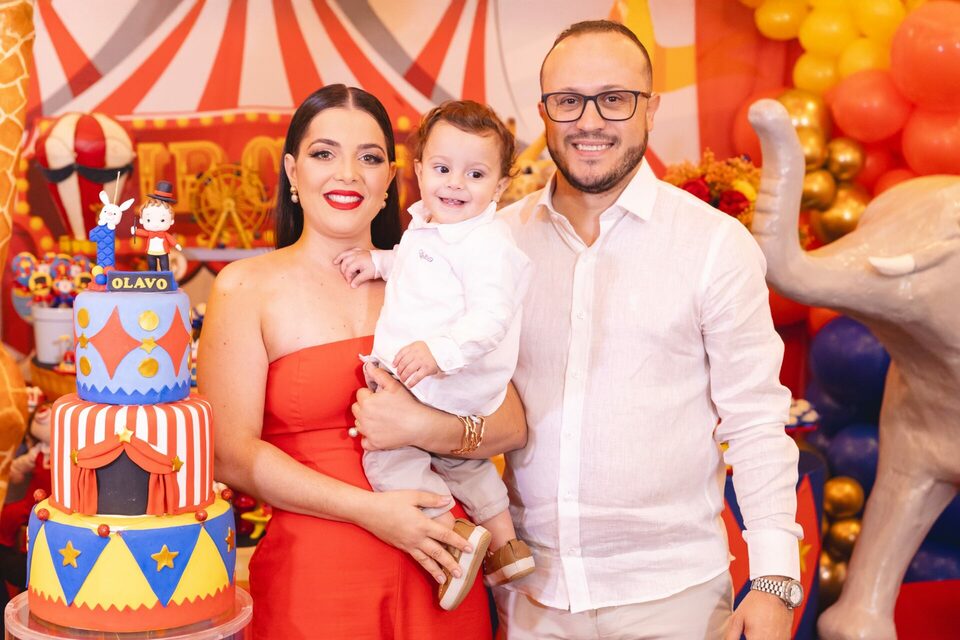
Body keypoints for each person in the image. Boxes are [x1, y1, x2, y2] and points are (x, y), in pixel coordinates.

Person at [493, 20, 803, 640]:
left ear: (651, 109)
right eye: (568, 100)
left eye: (615, 98)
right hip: (530, 595)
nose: (589, 121)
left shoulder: (714, 245)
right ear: (543, 111)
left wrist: (774, 579)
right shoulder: (498, 243)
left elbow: (755, 419)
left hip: (674, 596)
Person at [200, 85, 527, 639]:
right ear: (293, 171)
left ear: (392, 178)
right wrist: (371, 511)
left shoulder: (442, 279)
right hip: (316, 582)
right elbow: (230, 455)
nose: (348, 173)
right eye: (324, 153)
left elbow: (511, 423)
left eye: (369, 157)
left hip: (445, 568)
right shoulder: (245, 288)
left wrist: (423, 426)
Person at [334, 101, 535, 611]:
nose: (455, 184)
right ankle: (506, 546)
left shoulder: (486, 243)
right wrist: (379, 263)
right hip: (452, 390)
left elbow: (492, 317)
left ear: (500, 186)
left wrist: (439, 353)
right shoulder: (434, 226)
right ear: (420, 171)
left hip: (444, 378)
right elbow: (419, 265)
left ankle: (452, 535)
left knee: (388, 459)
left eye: (476, 174)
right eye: (443, 169)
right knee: (461, 463)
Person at [131, 181, 181, 272]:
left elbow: (170, 238)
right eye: (148, 220)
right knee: (152, 266)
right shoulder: (150, 233)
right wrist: (135, 231)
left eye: (162, 220)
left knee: (164, 266)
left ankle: (165, 274)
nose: (155, 224)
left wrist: (176, 244)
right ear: (142, 220)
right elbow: (143, 233)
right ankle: (152, 273)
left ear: (171, 221)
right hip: (151, 252)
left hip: (163, 252)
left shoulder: (164, 234)